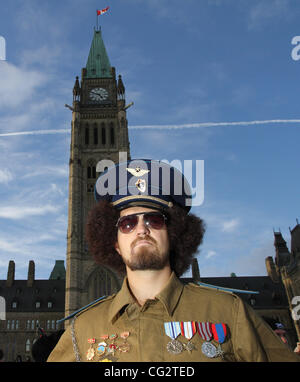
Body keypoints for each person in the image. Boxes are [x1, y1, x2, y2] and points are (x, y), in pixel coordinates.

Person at [48, 159, 299, 362]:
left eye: (154, 220)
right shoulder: (82, 329)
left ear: (174, 232)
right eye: (127, 223)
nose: (141, 230)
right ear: (114, 241)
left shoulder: (228, 313)